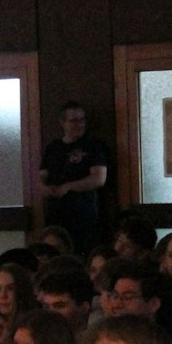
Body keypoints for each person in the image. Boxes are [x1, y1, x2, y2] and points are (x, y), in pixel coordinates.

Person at [40, 102, 110, 255]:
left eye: (82, 120)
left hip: (83, 216)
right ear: (62, 122)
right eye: (73, 120)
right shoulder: (53, 148)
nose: (79, 124)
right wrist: (43, 188)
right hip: (55, 215)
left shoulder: (93, 146)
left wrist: (68, 187)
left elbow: (99, 178)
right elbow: (41, 176)